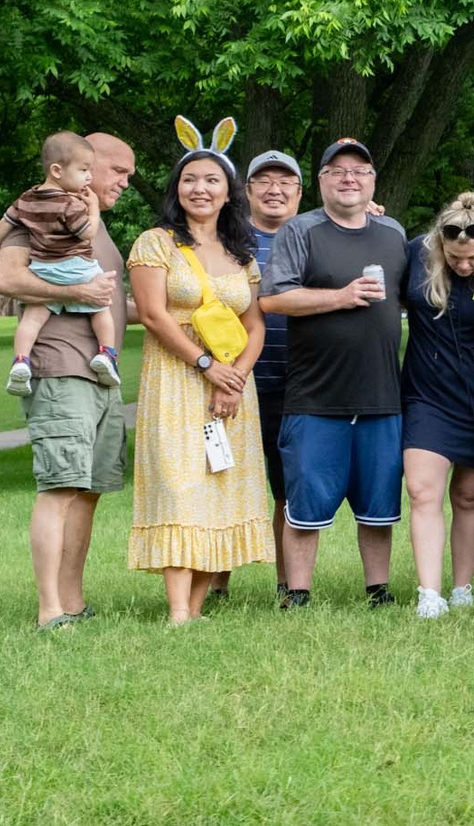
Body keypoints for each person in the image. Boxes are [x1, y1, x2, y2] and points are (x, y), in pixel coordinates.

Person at [258, 137, 411, 608]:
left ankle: (378, 591)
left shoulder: (393, 234)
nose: (350, 178)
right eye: (338, 171)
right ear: (321, 181)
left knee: (379, 507)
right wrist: (341, 297)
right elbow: (274, 298)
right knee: (304, 505)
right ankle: (298, 594)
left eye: (360, 171)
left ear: (372, 182)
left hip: (382, 393)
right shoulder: (300, 231)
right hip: (314, 394)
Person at [126, 137, 273, 623]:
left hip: (232, 385)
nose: (200, 188)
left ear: (229, 191)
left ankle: (196, 606)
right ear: (176, 189)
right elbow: (152, 314)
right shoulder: (155, 243)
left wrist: (234, 379)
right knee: (180, 484)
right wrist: (206, 366)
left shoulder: (240, 251)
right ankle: (177, 611)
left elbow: (255, 325)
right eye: (190, 179)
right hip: (175, 379)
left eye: (212, 180)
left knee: (219, 483)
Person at [0, 130, 134, 629]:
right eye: (119, 172)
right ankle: (49, 609)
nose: (126, 182)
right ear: (86, 165)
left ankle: (72, 600)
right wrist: (79, 287)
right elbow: (5, 279)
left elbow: (106, 300)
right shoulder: (41, 214)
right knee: (60, 486)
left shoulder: (94, 224)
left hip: (100, 375)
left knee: (88, 488)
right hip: (60, 368)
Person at [401, 194, 474, 618]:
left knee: (468, 494)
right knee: (422, 491)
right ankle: (430, 593)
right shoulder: (414, 255)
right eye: (456, 258)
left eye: (472, 258)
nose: (464, 266)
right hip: (426, 393)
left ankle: (462, 587)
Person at [4, 132, 120, 394]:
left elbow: (5, 220)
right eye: (85, 169)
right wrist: (94, 210)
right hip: (62, 374)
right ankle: (107, 353)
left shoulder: (27, 200)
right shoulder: (70, 205)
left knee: (32, 320)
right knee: (101, 307)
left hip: (44, 269)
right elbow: (86, 233)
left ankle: (21, 360)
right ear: (58, 170)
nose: (88, 177)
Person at [245, 149, 304, 597]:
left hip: (301, 385)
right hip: (236, 382)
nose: (274, 189)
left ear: (300, 193)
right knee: (223, 484)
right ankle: (215, 582)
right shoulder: (226, 238)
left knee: (288, 490)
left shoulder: (315, 236)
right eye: (264, 180)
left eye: (285, 181)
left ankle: (287, 584)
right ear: (247, 192)